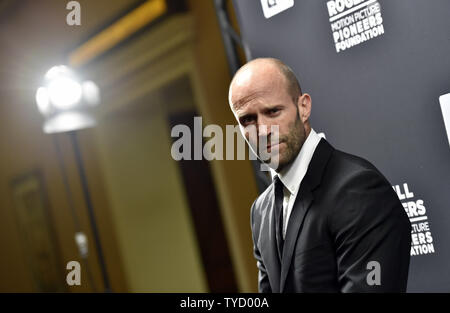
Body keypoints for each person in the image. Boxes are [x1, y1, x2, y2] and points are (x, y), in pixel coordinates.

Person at [228, 58, 411, 292]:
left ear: (303, 107)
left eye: (273, 111)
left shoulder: (358, 189)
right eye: (247, 120)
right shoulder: (260, 212)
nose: (262, 131)